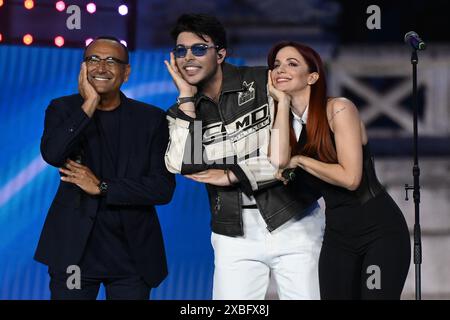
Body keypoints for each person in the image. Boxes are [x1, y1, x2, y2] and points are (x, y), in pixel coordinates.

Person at [164, 14, 324, 300]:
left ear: (221, 54)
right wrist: (187, 97)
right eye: (180, 50)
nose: (188, 57)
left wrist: (232, 174)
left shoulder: (264, 81)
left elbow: (295, 148)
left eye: (199, 49)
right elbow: (185, 165)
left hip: (294, 219)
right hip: (232, 233)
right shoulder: (183, 111)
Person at [267, 41, 411, 299]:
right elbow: (278, 161)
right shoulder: (285, 122)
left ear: (312, 76)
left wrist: (300, 161)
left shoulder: (339, 109)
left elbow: (351, 178)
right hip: (337, 236)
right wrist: (281, 103)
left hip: (379, 231)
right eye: (276, 65)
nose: (281, 70)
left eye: (292, 63)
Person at [35, 36, 175, 300]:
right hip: (74, 253)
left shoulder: (152, 119)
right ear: (83, 68)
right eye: (93, 60)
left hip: (132, 258)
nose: (101, 67)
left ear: (126, 72)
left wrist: (102, 187)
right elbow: (53, 154)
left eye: (111, 60)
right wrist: (88, 104)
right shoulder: (62, 109)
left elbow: (162, 188)